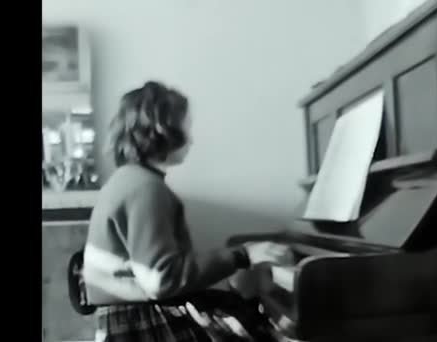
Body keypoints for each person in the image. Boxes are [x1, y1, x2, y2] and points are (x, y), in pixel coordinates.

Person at [82, 81, 291, 341]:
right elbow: (162, 280)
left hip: (131, 316)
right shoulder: (146, 189)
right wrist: (241, 255)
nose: (191, 139)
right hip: (144, 323)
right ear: (162, 130)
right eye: (186, 127)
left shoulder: (129, 180)